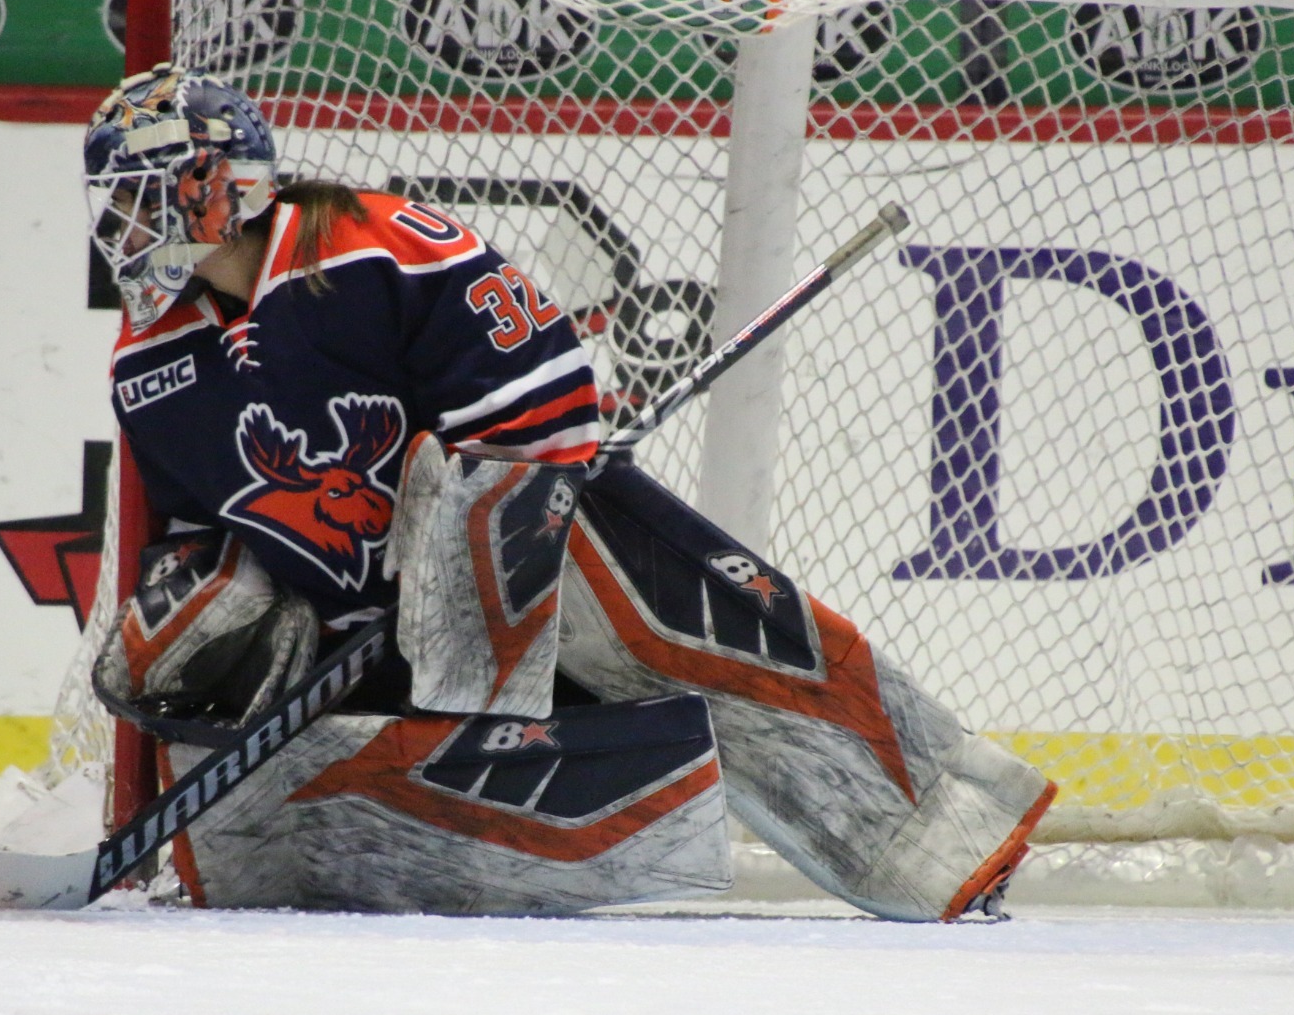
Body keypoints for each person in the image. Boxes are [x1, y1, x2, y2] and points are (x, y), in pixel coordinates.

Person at [81, 65, 1053, 920]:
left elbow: (540, 393)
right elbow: (194, 527)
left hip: (528, 548)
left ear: (214, 186)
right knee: (234, 729)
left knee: (686, 628)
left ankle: (935, 831)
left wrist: (441, 578)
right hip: (353, 629)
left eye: (133, 196)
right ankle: (498, 821)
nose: (115, 225)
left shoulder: (372, 245)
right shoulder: (149, 360)